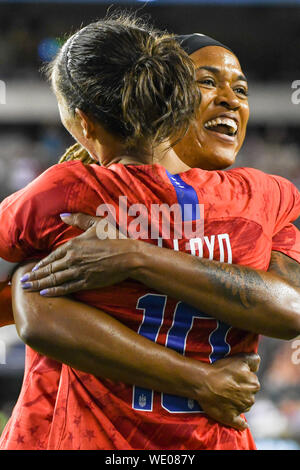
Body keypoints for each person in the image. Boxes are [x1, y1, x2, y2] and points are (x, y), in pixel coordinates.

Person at [0, 16, 299, 450]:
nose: (229, 101)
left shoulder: (67, 196)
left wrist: (133, 257)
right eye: (206, 82)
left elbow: (290, 309)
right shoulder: (263, 199)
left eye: (241, 89)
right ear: (169, 100)